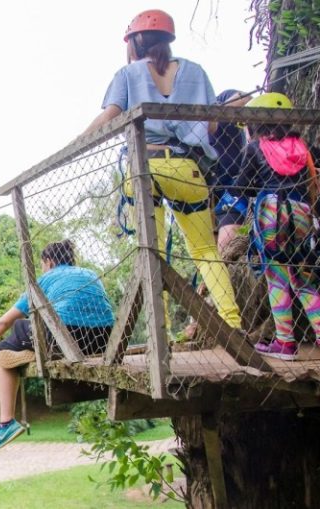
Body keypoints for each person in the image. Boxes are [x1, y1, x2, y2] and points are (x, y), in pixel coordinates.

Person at [82, 8, 242, 329]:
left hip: (144, 169)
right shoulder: (196, 72)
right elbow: (210, 129)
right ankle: (233, 323)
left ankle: (162, 334)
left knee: (151, 253)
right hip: (186, 169)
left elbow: (110, 117)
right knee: (205, 250)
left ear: (135, 42)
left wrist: (78, 143)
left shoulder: (127, 75)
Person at [0, 240, 114, 452]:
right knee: (39, 329)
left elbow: (5, 321)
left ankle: (6, 423)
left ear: (49, 261)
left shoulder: (45, 279)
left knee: (3, 347)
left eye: (42, 264)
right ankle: (32, 352)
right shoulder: (89, 273)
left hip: (64, 334)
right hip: (103, 338)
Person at [233, 93, 320, 361]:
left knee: (277, 277)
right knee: (304, 278)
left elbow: (242, 186)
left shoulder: (255, 148)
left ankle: (285, 342)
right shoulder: (301, 147)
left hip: (272, 213)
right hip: (302, 213)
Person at [211, 89, 252, 252]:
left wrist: (213, 115)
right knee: (208, 253)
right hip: (211, 193)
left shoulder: (219, 100)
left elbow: (246, 97)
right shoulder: (180, 128)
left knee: (226, 247)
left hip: (238, 184)